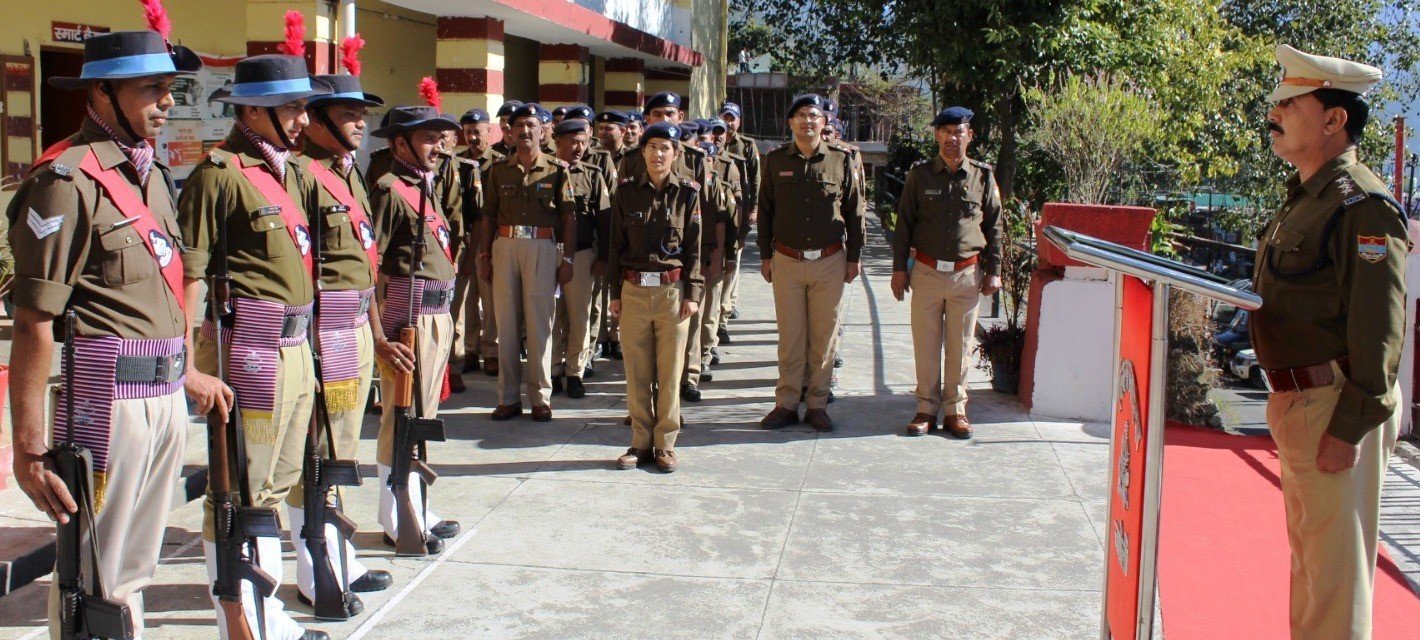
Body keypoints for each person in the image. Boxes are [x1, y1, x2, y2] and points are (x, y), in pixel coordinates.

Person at [4, 24, 226, 640]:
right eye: (151, 88)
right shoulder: (66, 181)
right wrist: (29, 447)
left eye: (170, 89)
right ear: (102, 93)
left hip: (163, 394)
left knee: (133, 569)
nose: (167, 102)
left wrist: (187, 370)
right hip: (108, 401)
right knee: (92, 573)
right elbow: (33, 320)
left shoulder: (149, 175)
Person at [1253, 44, 1406, 640]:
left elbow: (1379, 328)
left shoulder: (1361, 206)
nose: (1275, 113)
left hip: (1334, 403)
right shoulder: (1308, 197)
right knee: (1316, 571)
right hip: (1301, 401)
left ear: (1334, 119)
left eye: (1290, 104)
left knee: (1335, 580)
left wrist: (1350, 427)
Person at [180, 53, 332, 640]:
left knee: (275, 483)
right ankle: (239, 620)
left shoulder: (287, 172)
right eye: (290, 107)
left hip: (293, 347)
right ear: (250, 111)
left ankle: (268, 613)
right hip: (249, 348)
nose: (302, 119)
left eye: (302, 107)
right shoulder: (219, 174)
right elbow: (190, 274)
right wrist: (187, 363)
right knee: (239, 487)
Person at [292, 70, 396, 606]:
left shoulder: (348, 174)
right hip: (323, 331)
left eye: (362, 114)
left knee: (343, 445)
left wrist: (376, 333)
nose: (360, 123)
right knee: (318, 448)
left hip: (354, 328)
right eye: (349, 114)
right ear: (318, 119)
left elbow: (365, 264)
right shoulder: (302, 175)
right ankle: (315, 567)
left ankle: (337, 551)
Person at [367, 105, 464, 554]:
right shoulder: (390, 190)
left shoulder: (425, 185)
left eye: (440, 138)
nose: (438, 146)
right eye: (428, 138)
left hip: (436, 314)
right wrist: (379, 335)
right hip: (409, 317)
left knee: (422, 416)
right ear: (399, 143)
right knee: (400, 417)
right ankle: (396, 515)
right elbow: (371, 266)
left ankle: (417, 503)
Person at [891, 107, 1002, 438]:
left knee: (961, 346)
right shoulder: (920, 175)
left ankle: (956, 410)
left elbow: (995, 226)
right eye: (946, 132)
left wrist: (994, 271)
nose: (952, 138)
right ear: (937, 135)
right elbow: (904, 224)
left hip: (966, 275)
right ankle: (926, 408)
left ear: (970, 136)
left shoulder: (983, 176)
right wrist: (899, 270)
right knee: (925, 345)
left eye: (958, 132)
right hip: (926, 271)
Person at [757, 94, 864, 433]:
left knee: (823, 337)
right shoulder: (775, 161)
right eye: (801, 115)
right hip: (787, 260)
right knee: (790, 338)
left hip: (830, 260)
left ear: (824, 122)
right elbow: (765, 211)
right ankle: (787, 403)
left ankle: (817, 404)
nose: (807, 121)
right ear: (791, 122)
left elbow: (855, 212)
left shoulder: (841, 160)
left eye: (814, 115)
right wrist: (764, 256)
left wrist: (854, 257)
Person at [608, 121, 704, 473]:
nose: (658, 154)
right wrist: (614, 293)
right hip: (633, 290)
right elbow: (615, 246)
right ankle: (639, 442)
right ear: (643, 152)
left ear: (676, 154)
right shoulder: (626, 192)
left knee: (670, 371)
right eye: (652, 147)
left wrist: (693, 293)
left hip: (671, 292)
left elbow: (695, 248)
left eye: (665, 148)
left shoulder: (688, 193)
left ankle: (665, 444)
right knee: (636, 372)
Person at [477, 103, 576, 421]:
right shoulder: (498, 170)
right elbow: (488, 216)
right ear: (510, 131)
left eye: (531, 125)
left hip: (542, 247)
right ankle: (507, 397)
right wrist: (484, 256)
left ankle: (540, 397)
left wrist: (568, 258)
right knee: (506, 324)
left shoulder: (557, 169)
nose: (525, 131)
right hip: (505, 246)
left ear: (543, 130)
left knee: (539, 324)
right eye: (519, 125)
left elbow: (569, 217)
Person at [549, 118, 612, 398]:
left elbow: (605, 219)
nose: (579, 148)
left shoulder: (592, 175)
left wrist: (604, 256)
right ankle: (553, 369)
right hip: (548, 250)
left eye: (583, 143)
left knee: (580, 315)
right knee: (550, 315)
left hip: (583, 253)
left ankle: (575, 371)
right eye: (573, 142)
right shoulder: (544, 170)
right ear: (558, 141)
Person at [451, 108, 504, 379]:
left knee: (490, 296)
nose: (472, 137)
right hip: (465, 236)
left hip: (489, 237)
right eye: (468, 132)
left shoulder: (499, 163)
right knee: (466, 298)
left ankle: (491, 350)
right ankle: (468, 350)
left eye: (478, 131)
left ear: (489, 131)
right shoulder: (456, 162)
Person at [717, 101, 760, 338]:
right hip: (716, 213)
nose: (728, 123)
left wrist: (754, 208)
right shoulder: (711, 139)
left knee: (733, 258)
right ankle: (725, 304)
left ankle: (727, 305)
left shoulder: (747, 146)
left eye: (732, 118)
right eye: (725, 117)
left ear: (739, 121)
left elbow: (755, 179)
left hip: (738, 210)